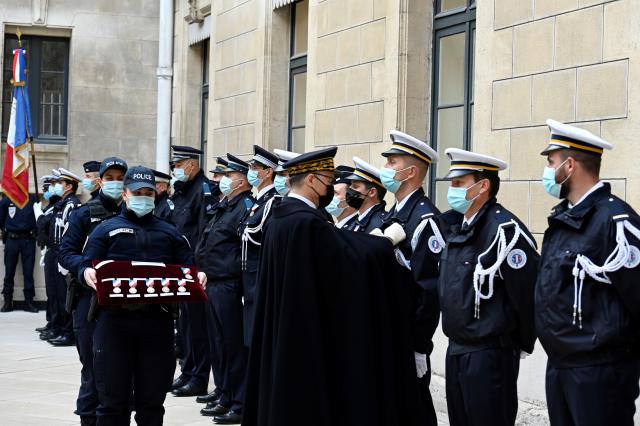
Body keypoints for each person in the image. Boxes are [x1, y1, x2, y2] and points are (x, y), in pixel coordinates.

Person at [243, 146, 424, 426]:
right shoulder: (306, 224)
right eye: (329, 179)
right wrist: (384, 244)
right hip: (303, 341)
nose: (332, 187)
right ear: (313, 180)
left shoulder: (282, 216)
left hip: (285, 331)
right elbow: (345, 261)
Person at [80, 165, 207, 425]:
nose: (143, 197)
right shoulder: (105, 229)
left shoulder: (169, 232)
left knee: (152, 404)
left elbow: (189, 267)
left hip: (156, 324)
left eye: (148, 192)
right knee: (112, 404)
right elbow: (85, 264)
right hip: (114, 324)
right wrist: (85, 273)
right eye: (137, 192)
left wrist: (199, 275)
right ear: (125, 195)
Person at [535, 119, 640, 426]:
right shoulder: (563, 219)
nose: (547, 172)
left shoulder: (614, 221)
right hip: (561, 366)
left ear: (569, 166)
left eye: (551, 163)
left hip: (600, 373)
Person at [436, 148, 539, 426]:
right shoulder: (459, 227)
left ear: (482, 186)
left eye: (459, 183)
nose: (452, 189)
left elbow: (527, 294)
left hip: (489, 355)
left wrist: (520, 343)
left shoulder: (504, 231)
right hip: (457, 349)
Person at [379, 130, 442, 425]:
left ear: (412, 171)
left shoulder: (424, 219)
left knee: (414, 408)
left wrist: (419, 345)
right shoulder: (394, 214)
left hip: (407, 333)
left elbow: (428, 290)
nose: (387, 169)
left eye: (393, 163)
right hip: (388, 328)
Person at [59, 157, 128, 426]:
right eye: (108, 177)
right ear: (100, 180)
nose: (114, 182)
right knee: (93, 369)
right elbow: (66, 252)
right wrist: (84, 270)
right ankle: (88, 419)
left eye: (119, 177)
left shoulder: (133, 212)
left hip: (123, 304)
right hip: (90, 303)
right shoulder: (84, 214)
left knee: (121, 371)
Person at [195, 154, 255, 424]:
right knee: (218, 345)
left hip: (229, 285)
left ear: (241, 180)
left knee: (233, 346)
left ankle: (239, 402)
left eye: (229, 176)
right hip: (213, 282)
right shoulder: (225, 205)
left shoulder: (244, 206)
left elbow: (240, 249)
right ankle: (225, 393)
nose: (223, 180)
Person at [169, 145, 212, 397]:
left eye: (178, 166)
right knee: (184, 325)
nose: (175, 171)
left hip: (194, 268)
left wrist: (199, 268)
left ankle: (198, 377)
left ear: (191, 165)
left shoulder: (202, 191)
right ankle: (187, 370)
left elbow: (204, 233)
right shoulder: (183, 191)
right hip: (180, 267)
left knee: (197, 327)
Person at [240, 146, 279, 350]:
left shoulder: (271, 202)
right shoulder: (259, 201)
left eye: (256, 167)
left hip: (258, 280)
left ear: (268, 171)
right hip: (249, 281)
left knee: (257, 342)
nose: (251, 172)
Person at [47, 168, 82, 347]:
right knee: (57, 294)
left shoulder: (72, 205)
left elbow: (68, 232)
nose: (58, 186)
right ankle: (61, 328)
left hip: (64, 255)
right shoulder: (62, 203)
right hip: (56, 253)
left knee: (65, 296)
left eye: (61, 183)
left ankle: (68, 331)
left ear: (69, 186)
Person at [0, 190, 38, 312]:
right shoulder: (6, 200)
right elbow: (1, 219)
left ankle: (29, 301)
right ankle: (7, 301)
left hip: (28, 240)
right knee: (9, 272)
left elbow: (38, 218)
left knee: (28, 272)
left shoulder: (32, 199)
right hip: (12, 239)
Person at [36, 171, 63, 339]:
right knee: (51, 292)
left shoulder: (60, 205)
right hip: (49, 250)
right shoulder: (50, 205)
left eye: (51, 186)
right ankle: (51, 322)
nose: (48, 190)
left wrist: (39, 217)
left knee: (57, 293)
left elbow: (46, 224)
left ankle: (57, 325)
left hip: (57, 251)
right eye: (46, 187)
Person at [343, 157, 387, 233]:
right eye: (350, 185)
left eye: (355, 186)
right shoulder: (355, 221)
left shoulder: (381, 224)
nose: (350, 189)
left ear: (372, 192)